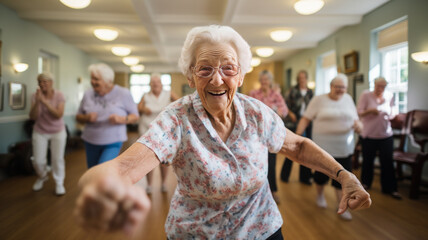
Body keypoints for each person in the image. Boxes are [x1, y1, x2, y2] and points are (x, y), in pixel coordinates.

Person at [74, 25, 371, 239]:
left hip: (261, 228)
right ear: (191, 76)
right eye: (204, 69)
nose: (217, 79)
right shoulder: (176, 119)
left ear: (240, 76)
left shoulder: (257, 113)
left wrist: (344, 176)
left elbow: (297, 147)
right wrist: (99, 188)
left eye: (228, 68)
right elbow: (124, 167)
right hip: (196, 233)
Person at [295, 73, 363, 221]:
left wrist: (359, 127)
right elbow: (306, 118)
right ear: (331, 86)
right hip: (323, 147)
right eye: (337, 87)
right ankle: (319, 195)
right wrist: (299, 136)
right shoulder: (319, 100)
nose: (340, 90)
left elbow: (357, 120)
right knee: (321, 174)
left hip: (344, 147)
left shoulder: (348, 99)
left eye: (343, 87)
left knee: (343, 177)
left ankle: (342, 205)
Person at [76, 63, 139, 168]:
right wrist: (87, 118)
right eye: (92, 78)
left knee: (103, 169)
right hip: (91, 139)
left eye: (96, 79)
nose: (92, 82)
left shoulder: (123, 93)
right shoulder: (88, 94)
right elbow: (78, 116)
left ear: (108, 81)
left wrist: (121, 119)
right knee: (93, 171)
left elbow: (135, 116)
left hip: (113, 140)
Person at [357, 77, 401, 199]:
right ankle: (365, 185)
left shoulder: (390, 95)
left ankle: (390, 189)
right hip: (369, 134)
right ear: (374, 85)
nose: (380, 89)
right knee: (367, 161)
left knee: (387, 162)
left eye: (383, 86)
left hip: (386, 135)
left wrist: (390, 113)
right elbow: (359, 112)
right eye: (378, 86)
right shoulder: (366, 95)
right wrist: (370, 111)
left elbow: (394, 112)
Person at [249, 70, 288, 203]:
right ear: (260, 81)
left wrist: (277, 111)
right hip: (255, 135)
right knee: (255, 164)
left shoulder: (276, 95)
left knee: (271, 164)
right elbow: (248, 110)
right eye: (262, 79)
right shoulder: (254, 94)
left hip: (271, 134)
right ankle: (256, 193)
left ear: (270, 81)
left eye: (267, 79)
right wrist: (271, 109)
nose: (264, 82)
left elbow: (284, 110)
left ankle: (273, 191)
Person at [138, 73, 178, 193]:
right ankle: (149, 184)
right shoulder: (145, 95)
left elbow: (179, 103)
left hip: (164, 130)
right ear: (150, 84)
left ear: (161, 83)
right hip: (147, 129)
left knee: (164, 159)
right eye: (153, 82)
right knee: (147, 157)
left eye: (157, 82)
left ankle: (164, 182)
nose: (155, 84)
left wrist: (169, 109)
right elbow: (138, 108)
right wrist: (144, 109)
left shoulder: (168, 93)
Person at [29, 73, 67, 195]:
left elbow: (58, 115)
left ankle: (59, 182)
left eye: (45, 81)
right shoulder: (35, 96)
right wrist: (37, 102)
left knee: (57, 159)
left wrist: (44, 102)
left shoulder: (59, 95)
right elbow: (33, 117)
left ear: (51, 83)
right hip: (40, 131)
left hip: (58, 131)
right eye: (40, 81)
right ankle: (42, 176)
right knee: (38, 161)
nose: (42, 84)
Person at [280, 70, 313, 185]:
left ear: (306, 79)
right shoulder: (292, 91)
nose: (301, 80)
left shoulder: (310, 92)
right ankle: (284, 175)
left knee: (307, 150)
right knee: (292, 149)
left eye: (303, 78)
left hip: (307, 124)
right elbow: (284, 104)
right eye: (300, 78)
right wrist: (291, 113)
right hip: (293, 123)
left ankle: (305, 177)